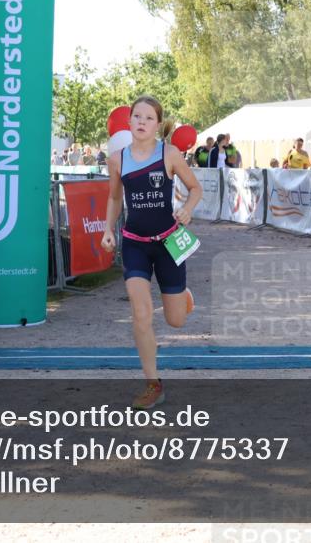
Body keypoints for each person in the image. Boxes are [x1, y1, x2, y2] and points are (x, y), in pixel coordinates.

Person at [101, 96, 202, 410]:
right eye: (136, 117)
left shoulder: (168, 154)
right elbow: (115, 198)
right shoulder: (117, 159)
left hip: (168, 244)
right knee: (141, 313)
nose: (142, 122)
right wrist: (107, 229)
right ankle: (153, 383)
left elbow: (195, 189)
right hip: (135, 244)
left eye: (148, 118)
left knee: (176, 322)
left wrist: (187, 209)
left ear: (158, 125)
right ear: (129, 122)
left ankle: (183, 297)